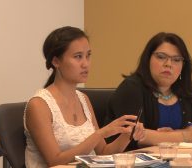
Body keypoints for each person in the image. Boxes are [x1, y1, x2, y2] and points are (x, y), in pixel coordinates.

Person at [23, 26, 145, 167]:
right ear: (56, 61)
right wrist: (99, 134)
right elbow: (55, 161)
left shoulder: (83, 99)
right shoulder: (39, 105)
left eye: (88, 55)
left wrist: (127, 134)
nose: (85, 64)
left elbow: (103, 152)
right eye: (78, 57)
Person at [106, 32, 192, 150]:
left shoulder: (185, 88)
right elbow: (134, 136)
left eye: (176, 59)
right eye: (161, 57)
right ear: (148, 59)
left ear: (183, 65)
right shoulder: (131, 87)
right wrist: (185, 135)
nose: (168, 64)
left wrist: (169, 135)